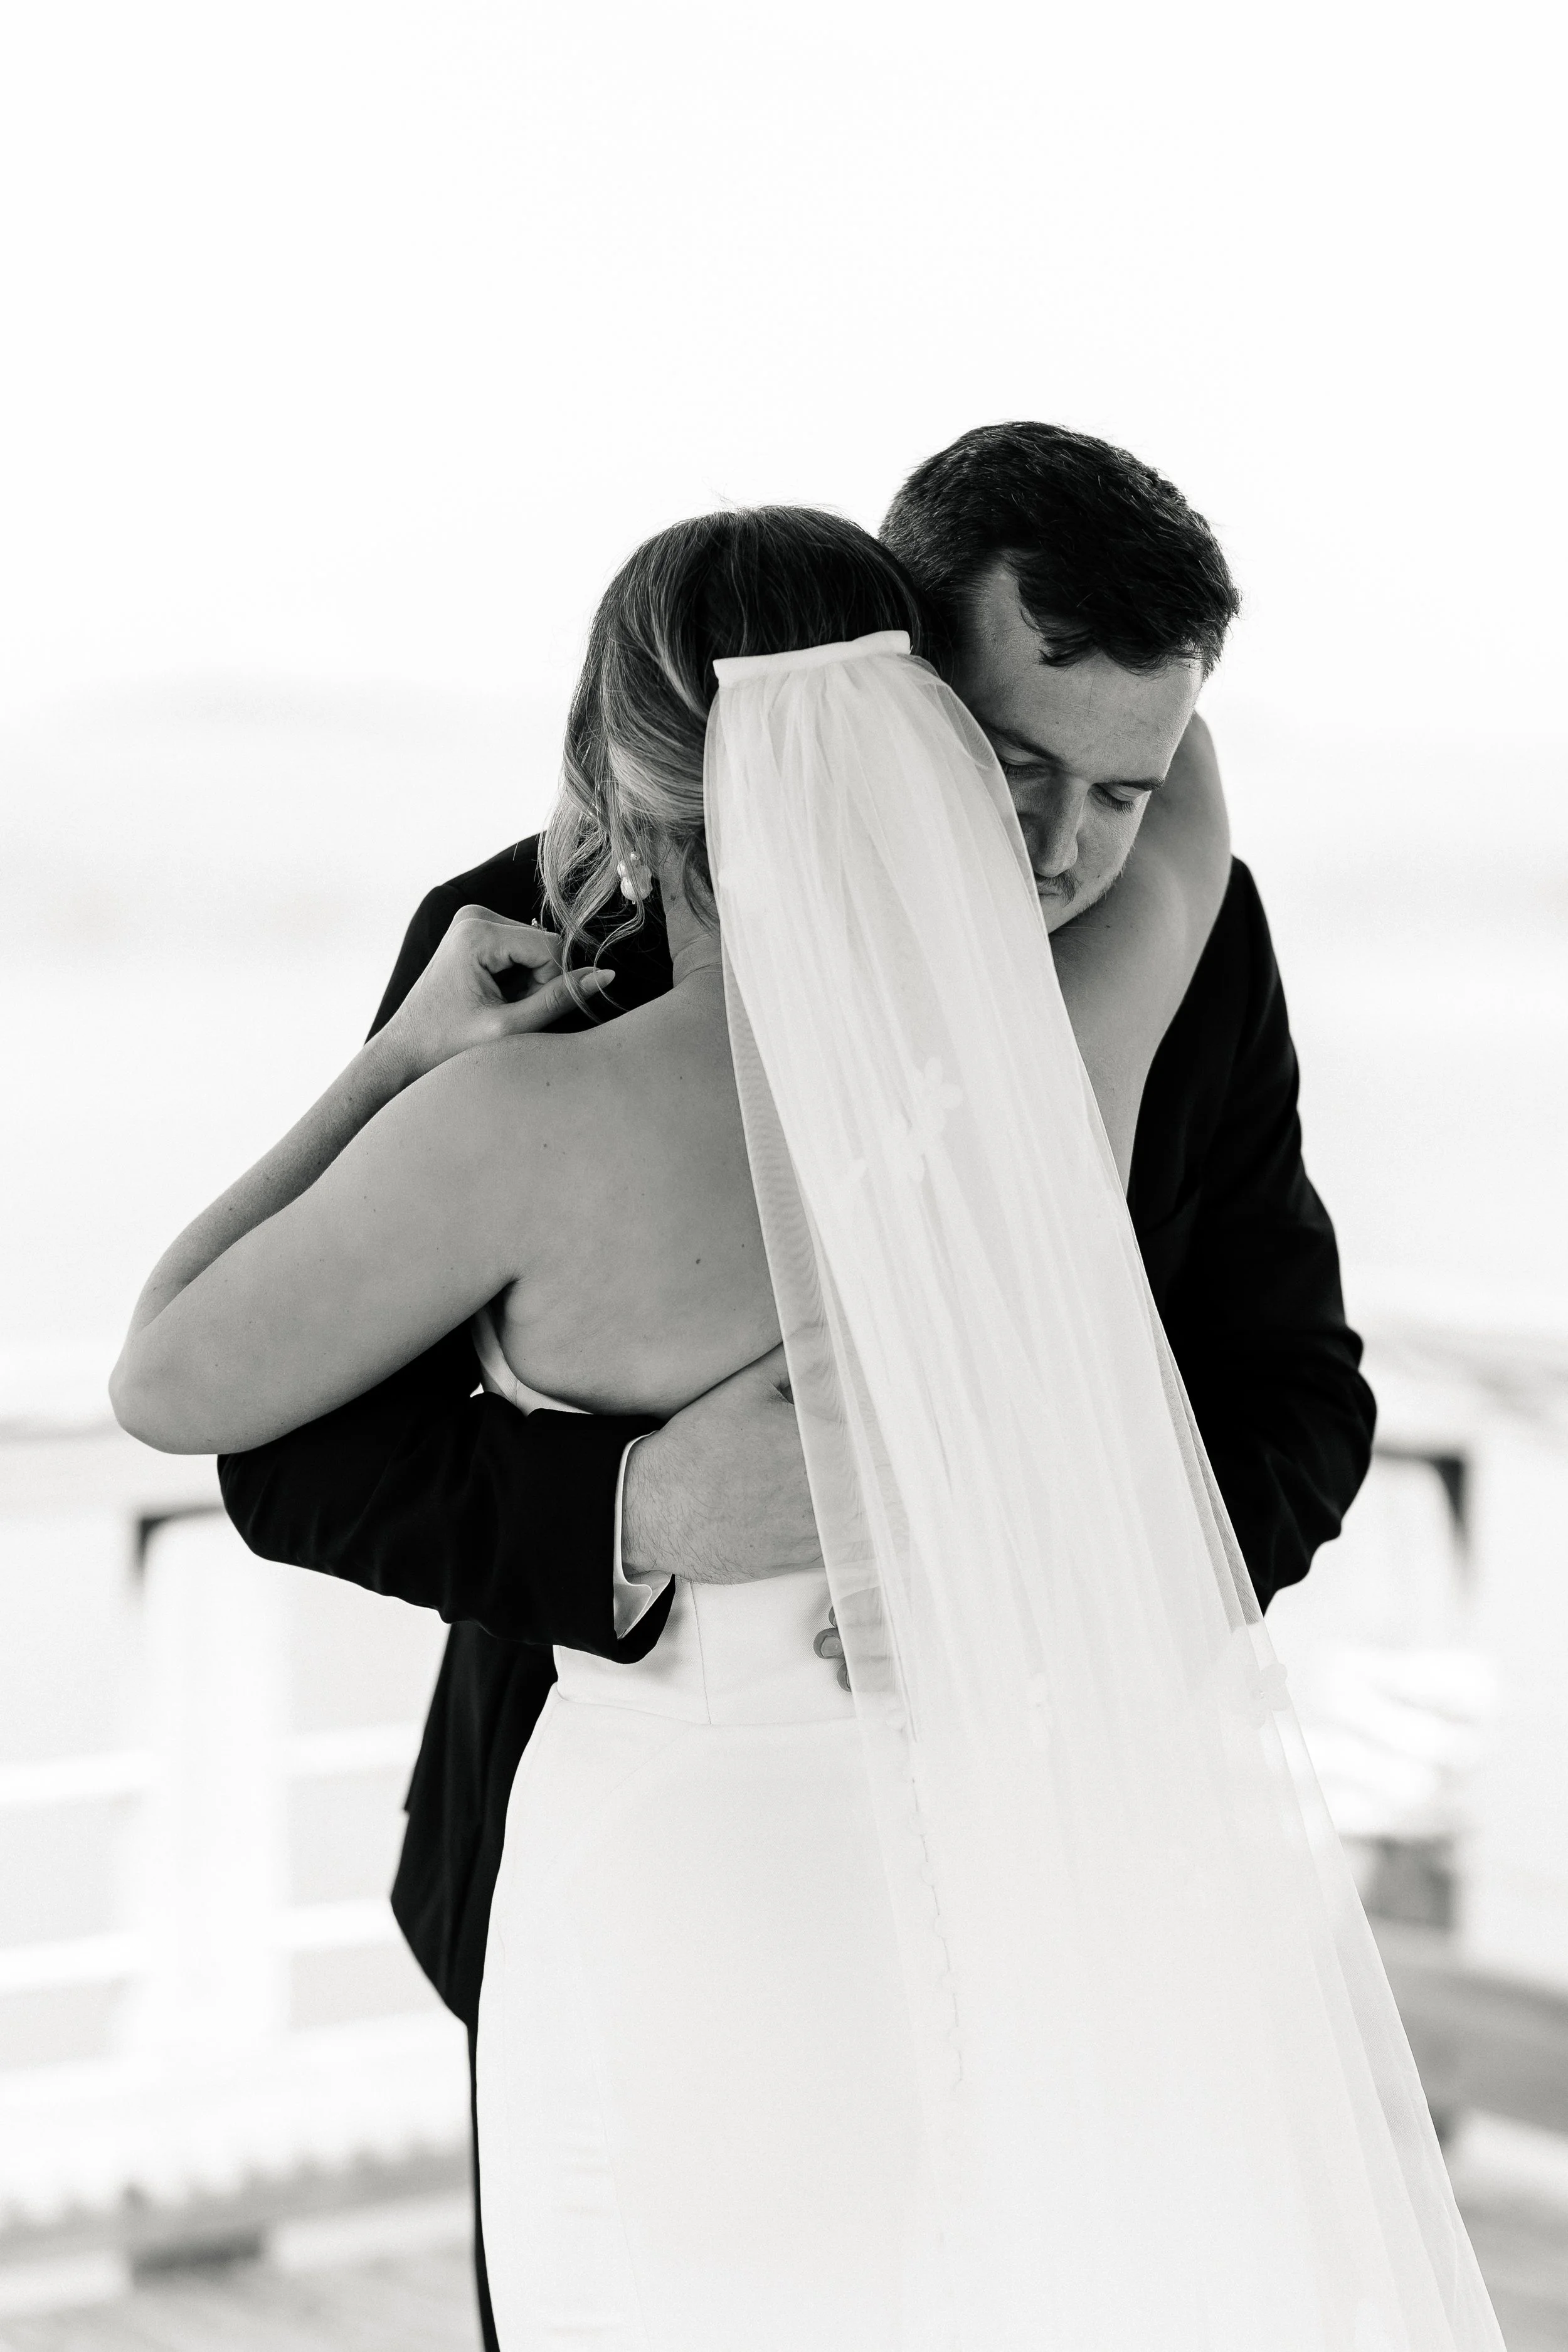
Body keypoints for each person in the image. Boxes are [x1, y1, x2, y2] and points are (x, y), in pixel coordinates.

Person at [213, 425, 1375, 2346]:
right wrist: (635, 1512)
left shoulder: (1183, 941)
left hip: (1043, 1917)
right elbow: (291, 1453)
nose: (1060, 854)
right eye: (1010, 769)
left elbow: (1296, 1397)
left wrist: (1052, 1579)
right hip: (634, 1900)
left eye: (1119, 790)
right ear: (879, 684)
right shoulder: (539, 944)